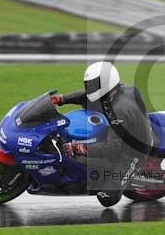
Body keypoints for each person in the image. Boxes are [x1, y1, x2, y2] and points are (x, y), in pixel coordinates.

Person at [51, 61, 152, 207]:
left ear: (107, 83)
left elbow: (113, 146)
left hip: (132, 152)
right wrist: (62, 99)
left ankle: (118, 176)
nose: (89, 88)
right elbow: (84, 97)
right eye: (89, 84)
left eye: (93, 85)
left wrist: (79, 148)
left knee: (106, 197)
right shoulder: (113, 93)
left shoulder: (119, 110)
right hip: (123, 132)